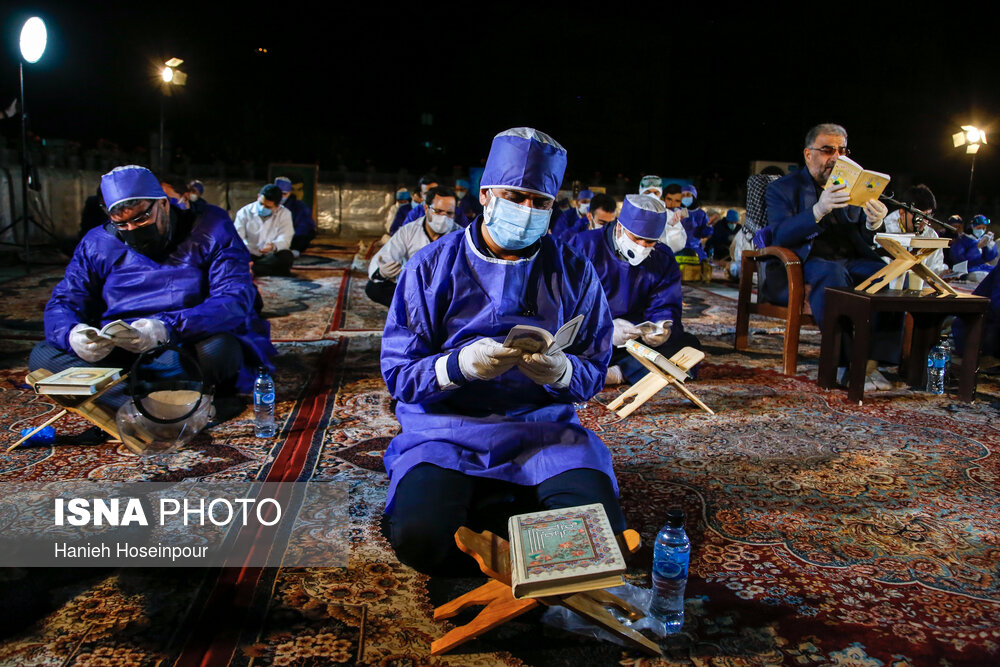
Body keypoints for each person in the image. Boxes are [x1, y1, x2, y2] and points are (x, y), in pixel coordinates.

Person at [380, 127, 623, 575]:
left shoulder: (574, 270)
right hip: (446, 432)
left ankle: (499, 517)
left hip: (543, 433)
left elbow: (592, 369)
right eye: (516, 196)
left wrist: (561, 372)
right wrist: (459, 365)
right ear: (487, 194)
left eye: (541, 202)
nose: (527, 211)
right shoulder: (430, 266)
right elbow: (399, 376)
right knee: (422, 539)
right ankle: (515, 521)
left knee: (598, 530)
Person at [30, 165, 275, 420]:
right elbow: (64, 300)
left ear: (164, 204)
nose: (133, 229)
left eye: (141, 218)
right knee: (43, 357)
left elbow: (234, 299)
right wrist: (73, 334)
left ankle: (120, 397)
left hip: (179, 343)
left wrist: (167, 329)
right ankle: (161, 404)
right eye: (122, 224)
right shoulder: (97, 242)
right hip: (118, 350)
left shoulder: (210, 227)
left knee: (219, 351)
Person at [765, 123, 892, 388]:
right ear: (808, 154)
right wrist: (818, 210)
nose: (836, 157)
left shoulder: (852, 187)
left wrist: (874, 224)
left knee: (883, 272)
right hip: (803, 263)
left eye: (842, 150)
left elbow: (863, 240)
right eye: (827, 150)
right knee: (831, 275)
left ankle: (873, 362)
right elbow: (780, 235)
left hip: (848, 259)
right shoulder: (783, 189)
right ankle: (845, 364)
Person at [569, 194, 701, 386]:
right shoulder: (582, 247)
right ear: (620, 227)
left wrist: (661, 326)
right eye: (637, 238)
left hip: (633, 341)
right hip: (588, 338)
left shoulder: (662, 257)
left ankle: (617, 373)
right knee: (553, 348)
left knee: (687, 347)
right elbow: (564, 304)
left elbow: (665, 303)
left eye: (650, 242)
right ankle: (631, 372)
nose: (642, 247)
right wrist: (603, 330)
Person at [366, 186, 458, 307]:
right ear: (426, 208)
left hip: (444, 293)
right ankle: (411, 309)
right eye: (438, 211)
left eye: (449, 213)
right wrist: (382, 272)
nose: (444, 217)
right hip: (412, 290)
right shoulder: (409, 231)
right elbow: (386, 256)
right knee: (374, 288)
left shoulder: (459, 235)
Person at [881, 184, 947, 276]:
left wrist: (942, 274)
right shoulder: (886, 229)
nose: (924, 221)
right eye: (919, 216)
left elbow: (935, 266)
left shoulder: (931, 235)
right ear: (902, 212)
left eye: (928, 216)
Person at [233, 184, 295, 277]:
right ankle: (258, 269)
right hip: (249, 253)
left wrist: (273, 246)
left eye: (268, 207)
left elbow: (285, 238)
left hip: (270, 255)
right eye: (261, 204)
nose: (262, 208)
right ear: (258, 197)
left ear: (277, 206)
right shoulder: (244, 212)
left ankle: (252, 269)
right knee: (232, 257)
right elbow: (237, 237)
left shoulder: (285, 214)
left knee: (286, 256)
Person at [274, 176, 317, 255]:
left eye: (284, 194)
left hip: (291, 238)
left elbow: (305, 228)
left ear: (289, 193)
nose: (281, 196)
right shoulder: (266, 204)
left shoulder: (300, 207)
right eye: (278, 193)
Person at [552, 192, 617, 242]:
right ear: (589, 216)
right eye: (602, 223)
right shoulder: (574, 236)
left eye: (610, 224)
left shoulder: (615, 234)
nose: (607, 228)